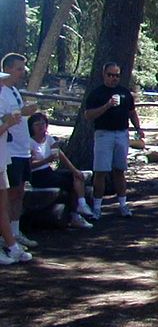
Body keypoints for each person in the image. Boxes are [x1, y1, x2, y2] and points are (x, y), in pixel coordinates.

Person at [83, 62, 145, 218]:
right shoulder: (97, 94)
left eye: (116, 75)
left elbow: (132, 112)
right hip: (103, 134)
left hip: (122, 133)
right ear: (104, 75)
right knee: (101, 171)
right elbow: (88, 115)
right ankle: (97, 207)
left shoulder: (124, 93)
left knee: (119, 170)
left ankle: (123, 205)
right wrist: (107, 106)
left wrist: (138, 128)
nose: (113, 78)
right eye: (110, 75)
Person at [28, 112, 93, 229]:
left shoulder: (48, 139)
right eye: (37, 125)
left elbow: (60, 154)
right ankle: (75, 214)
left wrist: (74, 170)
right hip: (38, 176)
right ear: (32, 127)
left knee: (75, 176)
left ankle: (81, 206)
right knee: (68, 183)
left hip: (48, 171)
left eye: (43, 124)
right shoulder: (30, 143)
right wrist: (47, 159)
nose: (41, 127)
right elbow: (30, 166)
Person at [1, 53, 40, 246]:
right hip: (11, 151)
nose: (22, 72)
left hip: (22, 149)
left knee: (20, 192)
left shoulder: (14, 90)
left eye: (23, 68)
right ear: (7, 69)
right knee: (9, 193)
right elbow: (4, 118)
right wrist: (23, 112)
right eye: (18, 68)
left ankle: (15, 231)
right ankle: (5, 234)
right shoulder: (1, 92)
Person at [0, 68, 32, 264]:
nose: (2, 85)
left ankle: (12, 245)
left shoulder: (7, 98)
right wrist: (8, 123)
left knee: (2, 207)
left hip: (2, 159)